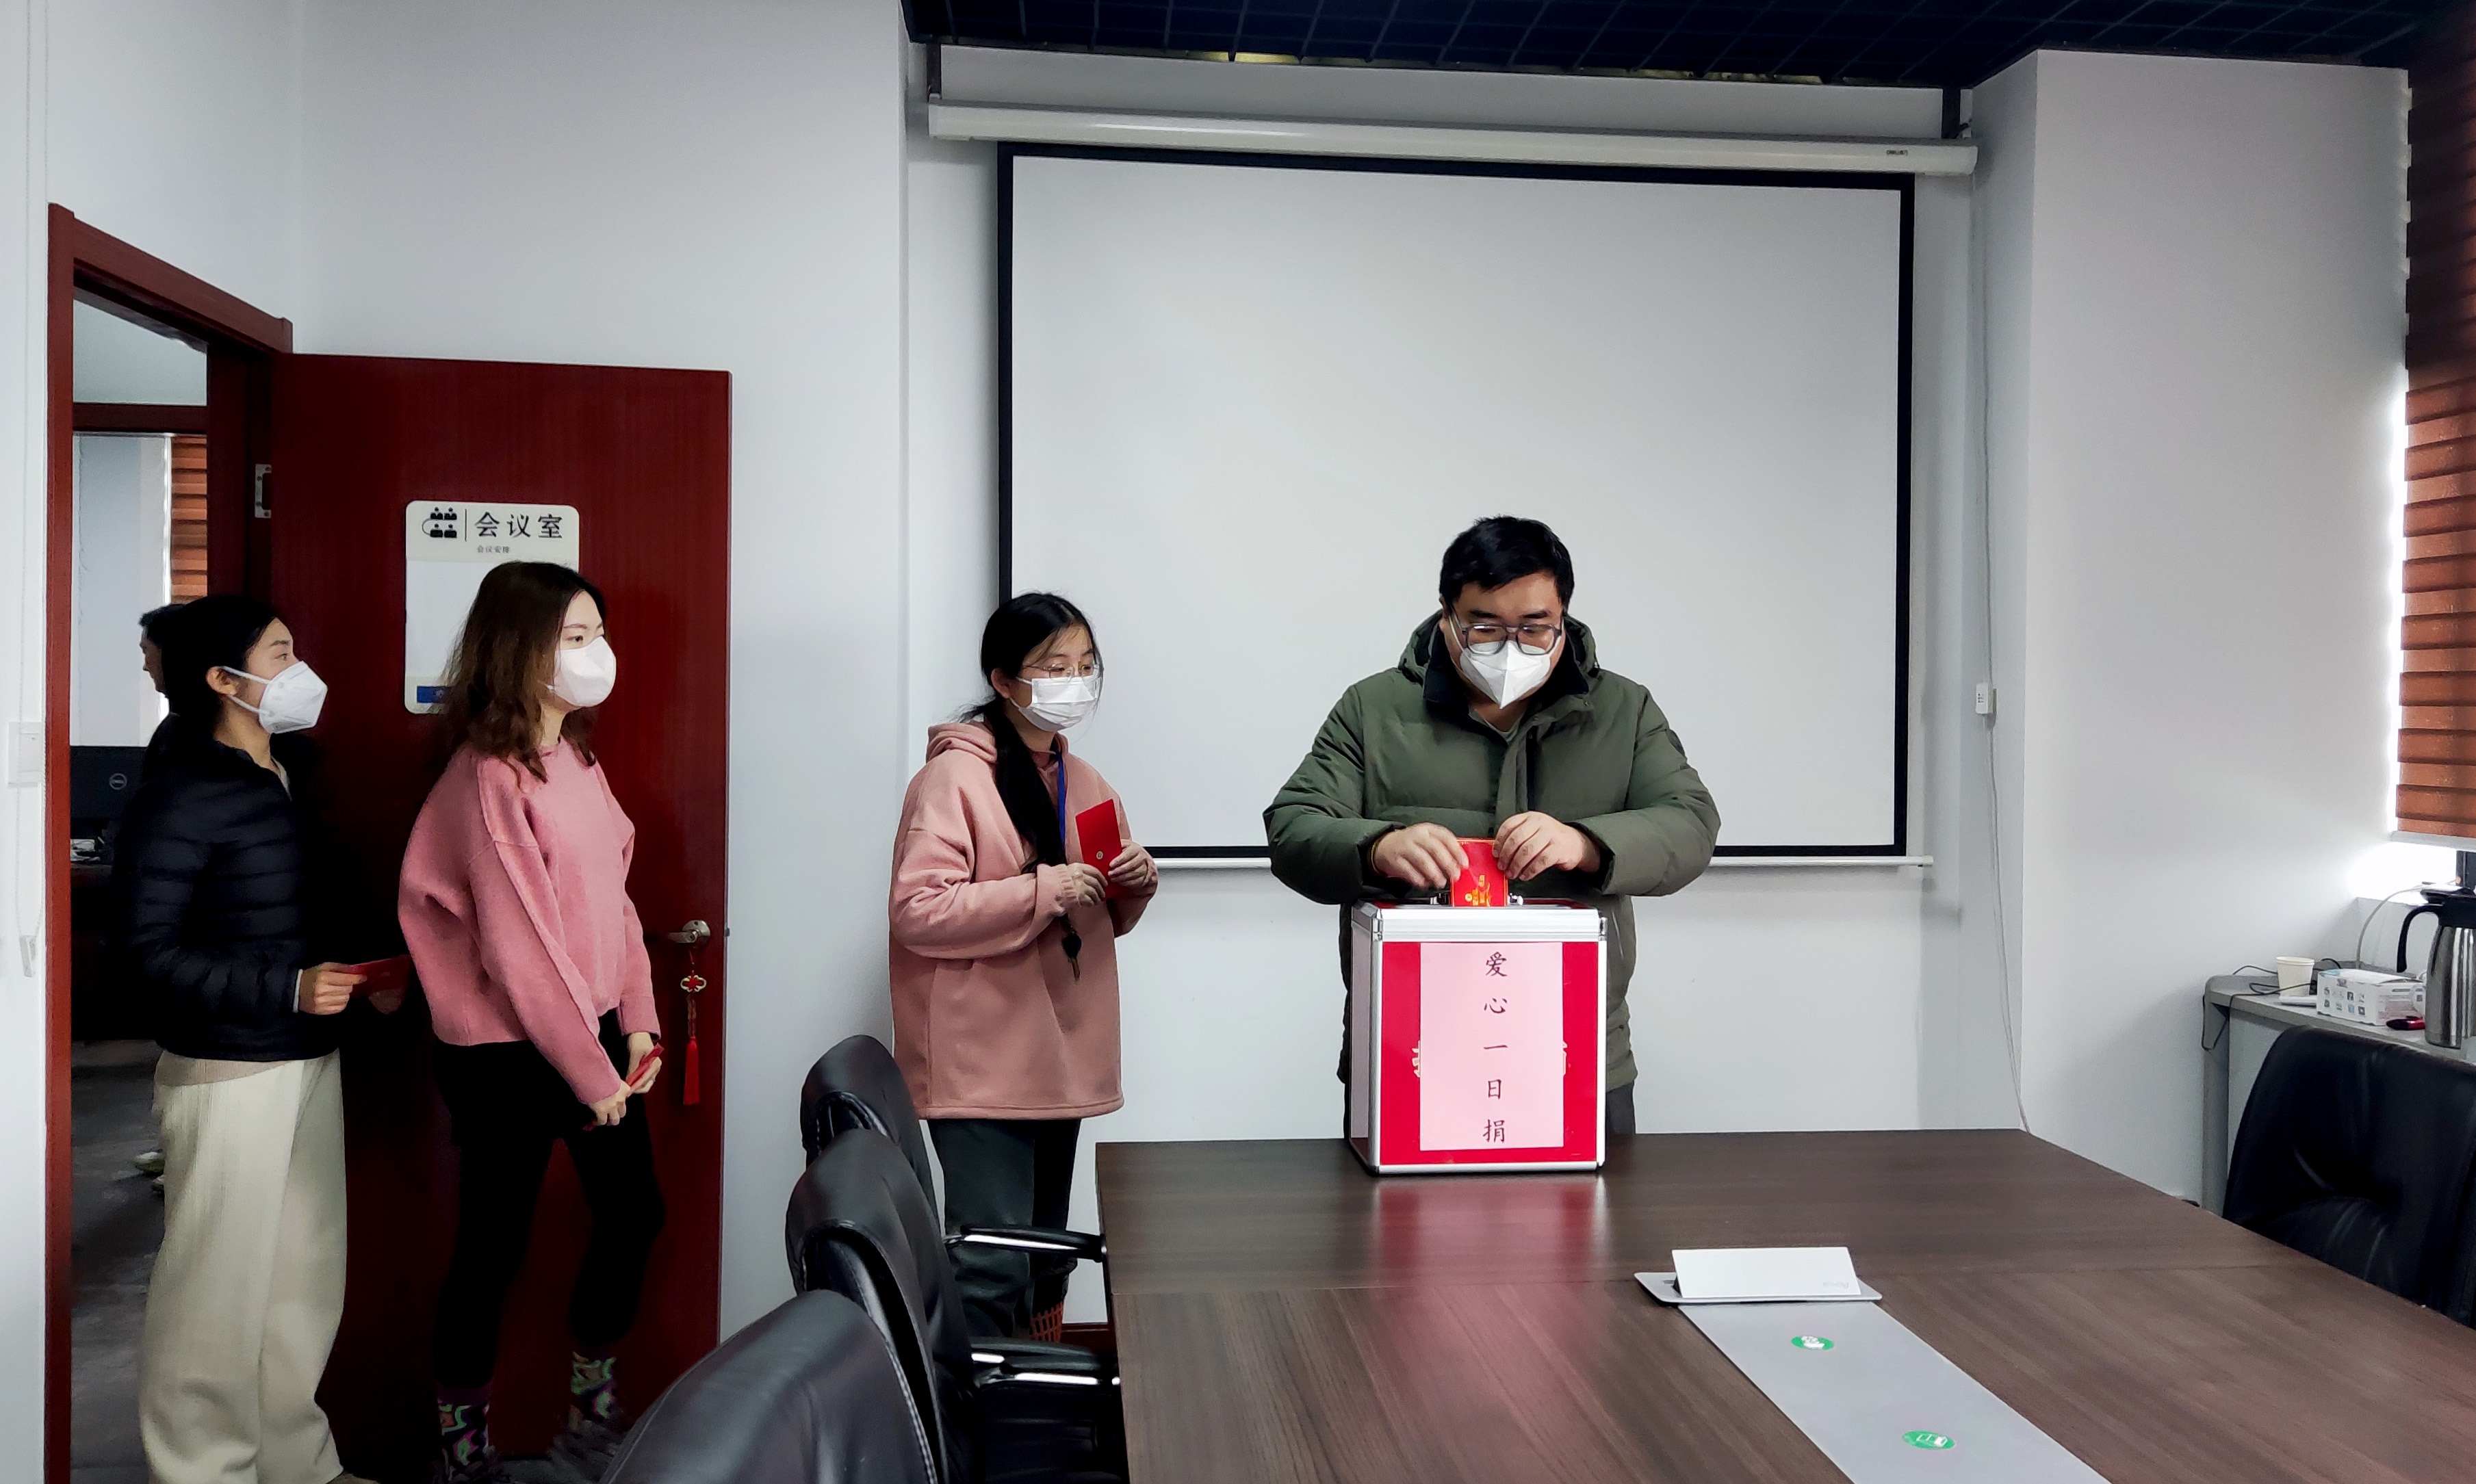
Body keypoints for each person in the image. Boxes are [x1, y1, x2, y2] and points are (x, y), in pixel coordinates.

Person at [1265, 516, 1720, 1138]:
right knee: (1395, 1205)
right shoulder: (1373, 710)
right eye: (1484, 627)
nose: (1511, 649)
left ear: (1564, 617)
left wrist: (1587, 843)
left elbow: (1691, 822)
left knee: (1595, 1205)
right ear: (1446, 616)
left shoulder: (1623, 710)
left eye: (1534, 628)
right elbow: (1293, 827)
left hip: (1578, 1049)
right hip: (1410, 1050)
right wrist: (1377, 848)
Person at [398, 562, 665, 1484]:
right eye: (575, 639)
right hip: (506, 1054)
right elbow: (522, 950)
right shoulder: (488, 775)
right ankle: (463, 1451)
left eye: (599, 634)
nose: (598, 654)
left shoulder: (576, 759)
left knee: (634, 1214)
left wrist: (638, 1020)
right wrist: (592, 1076)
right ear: (519, 650)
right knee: (493, 1247)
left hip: (589, 1034)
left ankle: (592, 1417)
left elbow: (614, 900)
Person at [114, 593, 385, 1484]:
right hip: (227, 1067)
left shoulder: (293, 773)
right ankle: (203, 1469)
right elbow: (145, 952)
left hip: (307, 1056)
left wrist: (370, 975)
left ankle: (298, 1465)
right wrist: (287, 987)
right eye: (278, 654)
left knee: (303, 1276)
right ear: (222, 680)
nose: (298, 668)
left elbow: (306, 910)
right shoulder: (183, 790)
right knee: (216, 1289)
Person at [889, 593, 1158, 1340]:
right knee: (991, 1262)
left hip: (1059, 1056)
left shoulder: (1085, 781)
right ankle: (974, 1406)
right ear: (1003, 680)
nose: (1075, 682)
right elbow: (917, 909)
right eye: (1054, 667)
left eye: (1086, 665)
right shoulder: (954, 779)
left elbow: (1101, 917)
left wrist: (1134, 881)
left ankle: (1037, 1387)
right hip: (983, 1063)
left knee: (1044, 1258)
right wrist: (1045, 889)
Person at [138, 600, 187, 779]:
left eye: (146, 651)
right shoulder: (176, 722)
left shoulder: (188, 732)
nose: (145, 666)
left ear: (169, 652)